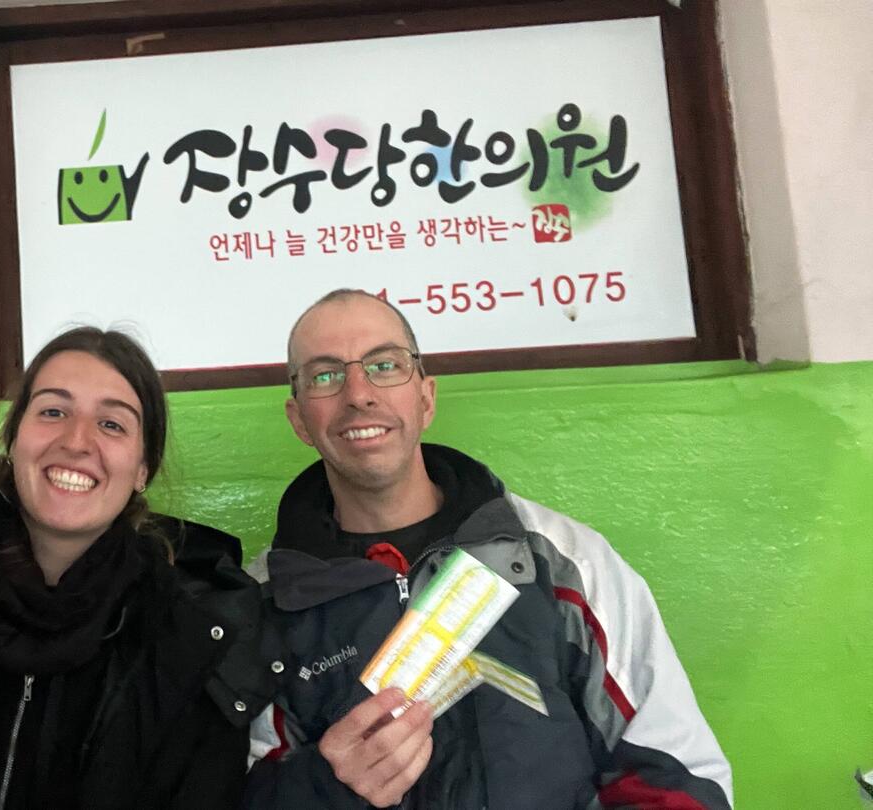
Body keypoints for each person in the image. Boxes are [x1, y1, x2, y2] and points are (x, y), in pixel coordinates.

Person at [244, 289, 732, 809]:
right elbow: (233, 790)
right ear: (299, 419)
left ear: (426, 397)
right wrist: (323, 788)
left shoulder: (562, 562)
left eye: (385, 366)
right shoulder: (258, 606)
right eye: (324, 376)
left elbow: (677, 773)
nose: (358, 394)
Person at [0, 327, 273, 810]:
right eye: (53, 412)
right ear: (14, 438)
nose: (77, 441)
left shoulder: (188, 638)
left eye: (112, 424)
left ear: (142, 469)